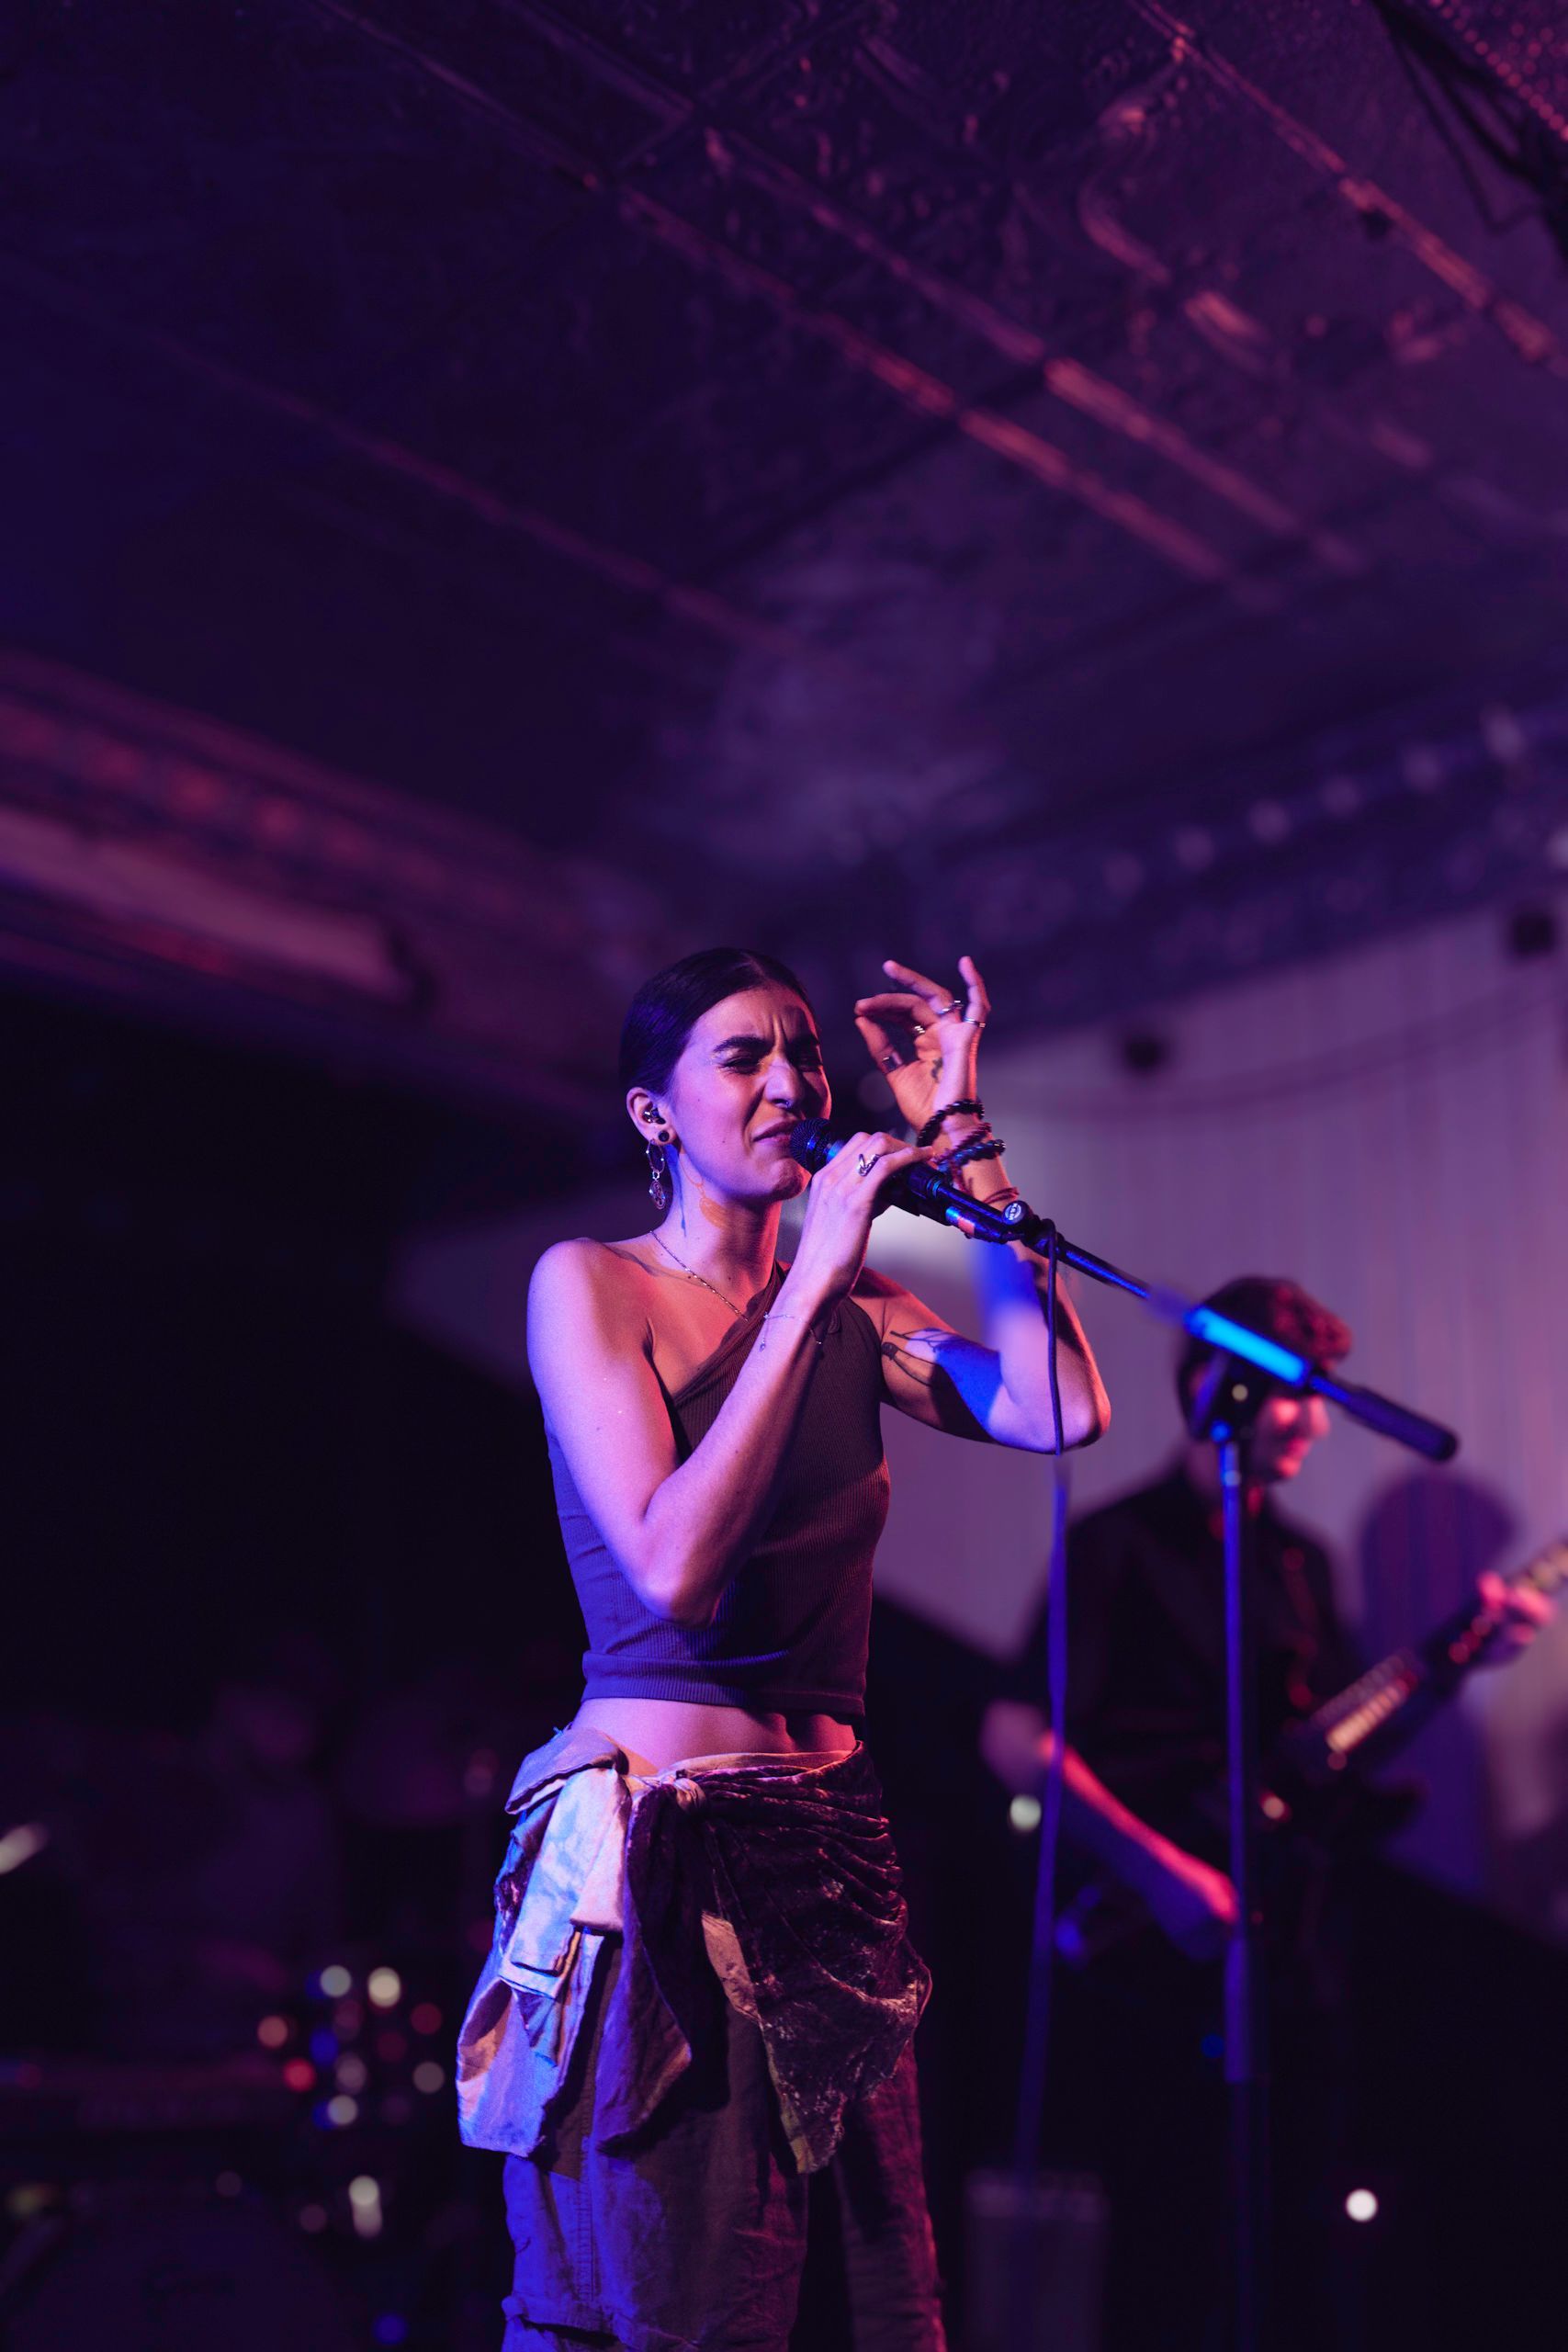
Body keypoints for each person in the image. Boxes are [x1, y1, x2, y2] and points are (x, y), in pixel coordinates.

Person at [457, 945, 1110, 2351]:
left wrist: (962, 1144)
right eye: (740, 1057)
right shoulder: (593, 1286)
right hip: (656, 1863)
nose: (789, 1084)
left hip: (828, 1851)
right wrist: (811, 1282)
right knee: (685, 2292)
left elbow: (1059, 1409)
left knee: (877, 2294)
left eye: (800, 1055)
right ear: (653, 1115)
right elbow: (674, 1567)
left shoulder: (862, 1310)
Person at [980, 1275, 1551, 2350]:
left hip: (1287, 1948)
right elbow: (1014, 1734)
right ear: (1221, 1388)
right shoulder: (1118, 1545)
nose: (1320, 1421)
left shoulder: (1301, 1561)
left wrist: (1458, 1659)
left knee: (1292, 2232)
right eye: (1302, 1393)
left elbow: (1329, 1748)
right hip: (1146, 1951)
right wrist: (1161, 1873)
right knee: (1165, 2238)